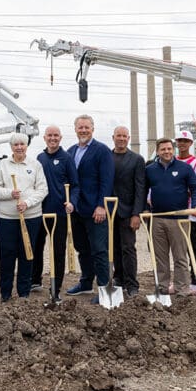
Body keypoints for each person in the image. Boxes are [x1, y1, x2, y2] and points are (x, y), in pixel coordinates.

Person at [0, 133, 48, 302]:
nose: (19, 147)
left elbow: (43, 189)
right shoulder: (2, 165)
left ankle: (24, 294)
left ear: (27, 146)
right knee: (7, 255)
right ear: (11, 147)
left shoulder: (35, 165)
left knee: (26, 255)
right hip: (6, 218)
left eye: (22, 144)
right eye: (16, 144)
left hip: (31, 217)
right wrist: (10, 193)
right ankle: (5, 294)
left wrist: (27, 203)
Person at [65, 115, 114, 302]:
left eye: (86, 127)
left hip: (95, 210)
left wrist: (102, 205)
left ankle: (104, 289)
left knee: (99, 250)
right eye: (80, 127)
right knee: (82, 248)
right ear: (75, 129)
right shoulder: (70, 151)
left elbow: (107, 180)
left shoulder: (101, 151)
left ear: (92, 129)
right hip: (77, 210)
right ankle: (86, 282)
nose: (83, 130)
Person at [145, 137, 196, 297]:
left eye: (169, 149)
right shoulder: (150, 170)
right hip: (157, 218)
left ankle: (182, 289)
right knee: (160, 257)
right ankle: (162, 288)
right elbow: (143, 190)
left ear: (173, 150)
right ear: (158, 151)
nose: (167, 152)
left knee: (180, 257)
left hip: (179, 218)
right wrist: (145, 208)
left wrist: (195, 206)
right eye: (163, 149)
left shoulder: (184, 168)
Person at [31, 125, 79, 300]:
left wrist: (72, 202)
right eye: (49, 135)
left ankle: (55, 288)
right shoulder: (39, 158)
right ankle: (35, 280)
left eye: (56, 135)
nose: (52, 138)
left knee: (58, 251)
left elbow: (75, 185)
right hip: (40, 212)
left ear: (60, 138)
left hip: (59, 213)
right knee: (37, 246)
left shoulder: (67, 158)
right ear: (44, 138)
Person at [110, 126, 146, 297]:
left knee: (128, 248)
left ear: (129, 138)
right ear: (113, 138)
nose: (122, 139)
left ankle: (132, 284)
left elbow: (140, 189)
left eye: (125, 136)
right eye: (119, 136)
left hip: (128, 211)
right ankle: (119, 279)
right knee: (114, 248)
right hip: (110, 212)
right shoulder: (107, 157)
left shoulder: (137, 159)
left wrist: (136, 214)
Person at [174, 130, 196, 287]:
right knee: (177, 250)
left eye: (185, 141)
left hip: (191, 213)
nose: (182, 144)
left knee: (194, 249)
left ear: (190, 143)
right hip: (174, 212)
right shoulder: (171, 161)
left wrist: (184, 192)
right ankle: (180, 281)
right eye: (179, 140)